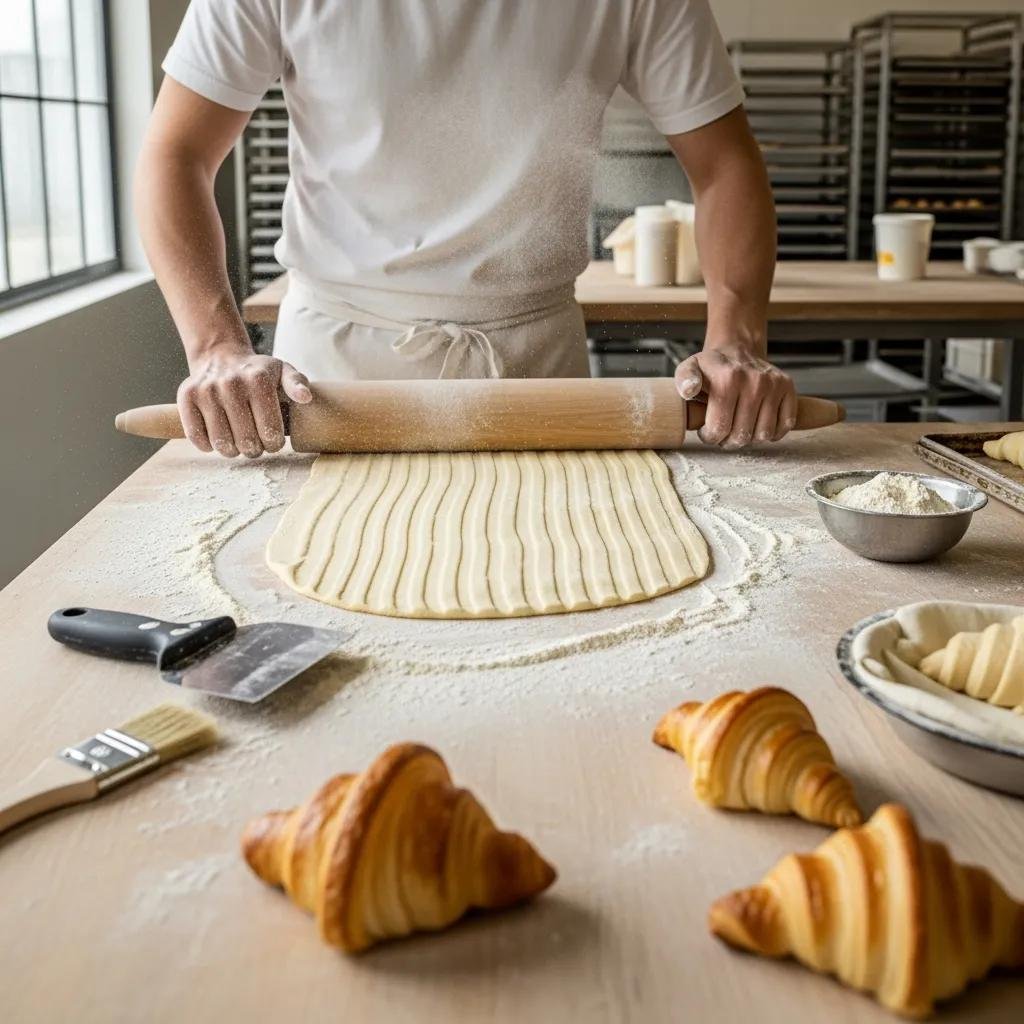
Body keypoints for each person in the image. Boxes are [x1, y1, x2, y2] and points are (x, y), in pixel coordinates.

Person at [136, 0, 795, 459]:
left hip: (537, 368)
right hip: (331, 377)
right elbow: (176, 154)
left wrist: (736, 340)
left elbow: (725, 164)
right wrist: (216, 348)